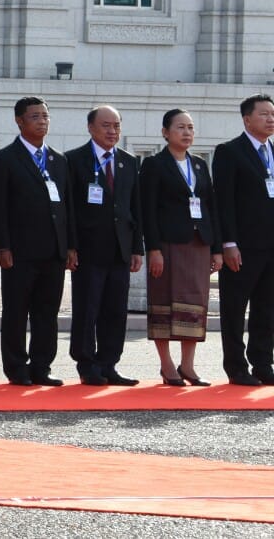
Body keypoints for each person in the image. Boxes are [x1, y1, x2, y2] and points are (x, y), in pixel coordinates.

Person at [0, 96, 73, 386]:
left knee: (47, 312)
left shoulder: (58, 160)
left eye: (45, 116)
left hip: (53, 250)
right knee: (16, 310)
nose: (42, 122)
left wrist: (70, 246)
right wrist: (2, 245)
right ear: (20, 121)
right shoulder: (4, 159)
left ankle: (42, 366)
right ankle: (16, 367)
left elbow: (68, 207)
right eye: (35, 117)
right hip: (20, 250)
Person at [140, 108, 222, 385]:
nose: (187, 133)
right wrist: (153, 249)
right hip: (168, 243)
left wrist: (217, 248)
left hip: (199, 242)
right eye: (180, 128)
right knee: (164, 301)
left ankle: (188, 365)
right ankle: (166, 365)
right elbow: (147, 210)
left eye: (190, 128)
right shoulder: (154, 165)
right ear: (165, 132)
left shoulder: (199, 164)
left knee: (195, 303)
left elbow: (210, 206)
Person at [65, 105, 144, 386]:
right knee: (88, 308)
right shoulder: (74, 160)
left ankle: (109, 363)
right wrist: (70, 246)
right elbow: (69, 209)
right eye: (106, 126)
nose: (112, 131)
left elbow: (136, 208)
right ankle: (86, 364)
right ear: (91, 127)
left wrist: (137, 248)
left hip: (120, 249)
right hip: (88, 249)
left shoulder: (129, 161)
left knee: (115, 310)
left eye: (117, 126)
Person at [212, 93, 274, 386]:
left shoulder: (273, 152)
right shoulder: (229, 151)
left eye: (272, 114)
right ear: (247, 119)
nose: (270, 119)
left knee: (267, 308)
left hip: (271, 246)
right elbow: (223, 202)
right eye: (264, 114)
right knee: (235, 308)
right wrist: (228, 244)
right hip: (242, 247)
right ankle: (236, 367)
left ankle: (263, 363)